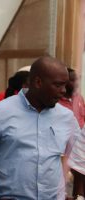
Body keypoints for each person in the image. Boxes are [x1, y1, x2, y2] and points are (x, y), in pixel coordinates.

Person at [0, 56, 80, 199]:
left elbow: (80, 156)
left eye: (65, 85)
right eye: (58, 85)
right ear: (38, 82)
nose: (63, 91)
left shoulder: (66, 117)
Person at [58, 68, 85, 199]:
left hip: (79, 144)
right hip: (64, 152)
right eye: (73, 80)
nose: (76, 83)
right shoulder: (55, 102)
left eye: (76, 79)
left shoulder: (79, 98)